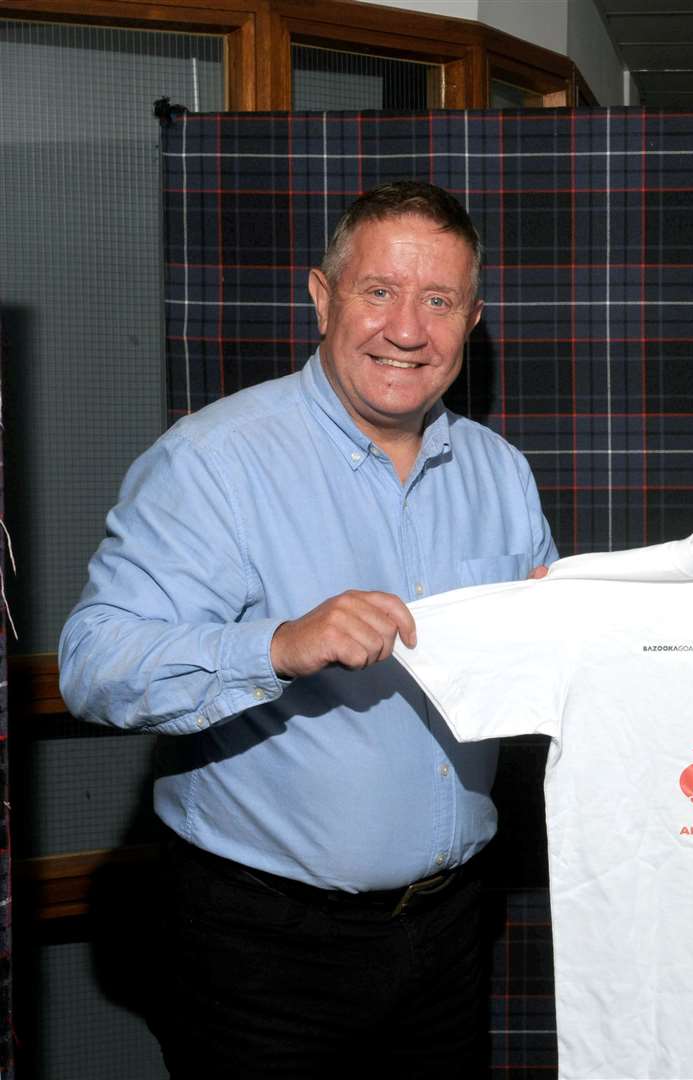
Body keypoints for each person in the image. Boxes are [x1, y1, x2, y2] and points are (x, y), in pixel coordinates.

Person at [59, 180, 557, 1078]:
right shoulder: (214, 461)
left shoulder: (500, 473)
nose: (407, 329)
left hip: (449, 933)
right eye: (378, 291)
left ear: (471, 320)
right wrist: (278, 646)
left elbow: (537, 675)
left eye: (437, 300)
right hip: (262, 948)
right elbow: (92, 665)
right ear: (322, 297)